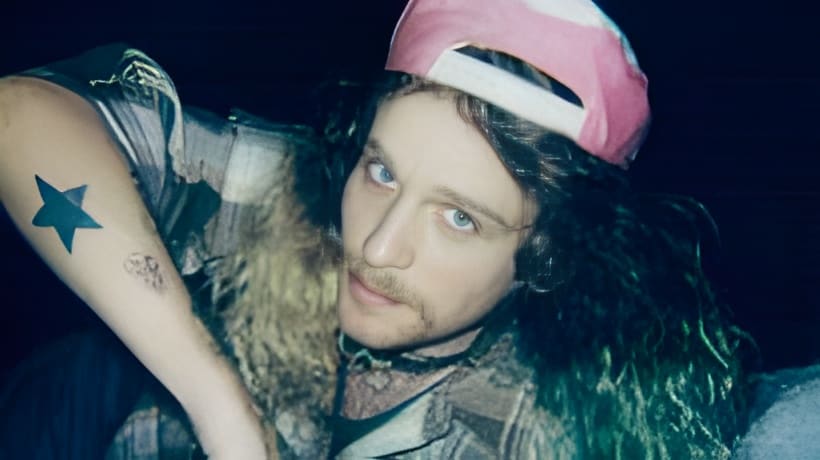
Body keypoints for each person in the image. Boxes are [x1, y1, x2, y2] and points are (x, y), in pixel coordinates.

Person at [0, 0, 747, 458]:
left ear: (548, 254)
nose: (377, 245)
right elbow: (20, 114)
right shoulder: (308, 194)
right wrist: (223, 410)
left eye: (459, 218)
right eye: (382, 171)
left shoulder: (536, 434)